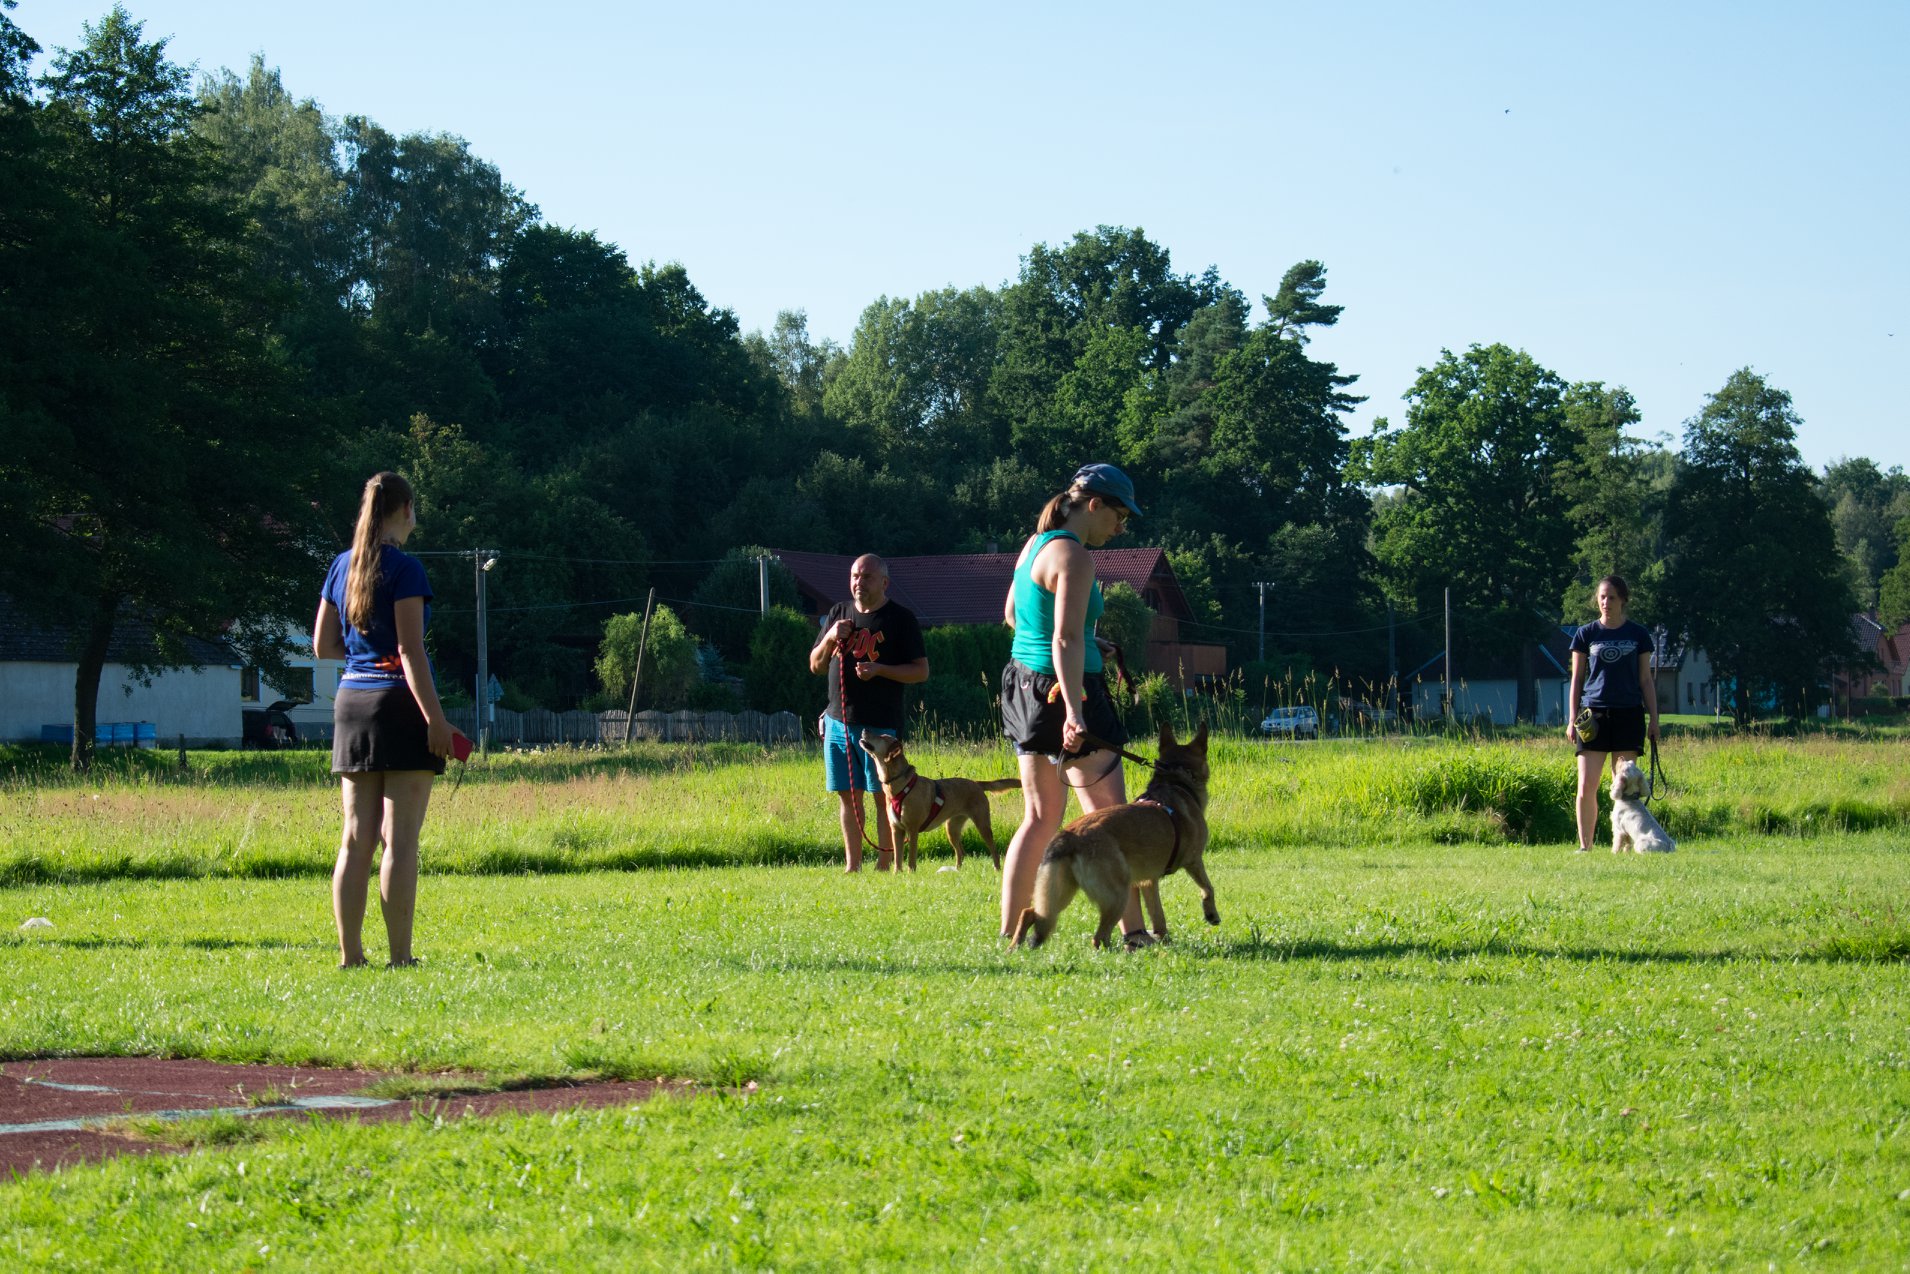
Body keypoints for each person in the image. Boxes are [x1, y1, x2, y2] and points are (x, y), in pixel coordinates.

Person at [999, 463, 1158, 947]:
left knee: (1040, 816)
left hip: (1023, 685)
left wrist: (1093, 641)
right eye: (1119, 515)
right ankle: (1134, 934)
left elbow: (1013, 616)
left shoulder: (1035, 545)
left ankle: (1009, 932)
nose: (1121, 526)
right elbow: (1065, 640)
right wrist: (1074, 710)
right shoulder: (1076, 557)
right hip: (1068, 690)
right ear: (1094, 505)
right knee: (1112, 816)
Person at [314, 472, 453, 967]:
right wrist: (436, 721)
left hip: (351, 703)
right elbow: (409, 650)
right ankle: (400, 958)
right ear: (407, 510)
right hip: (398, 706)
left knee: (356, 838)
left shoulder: (340, 566)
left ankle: (351, 957)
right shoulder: (407, 569)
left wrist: (361, 657)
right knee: (400, 839)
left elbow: (322, 646)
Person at [809, 554, 929, 872]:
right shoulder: (839, 613)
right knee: (848, 797)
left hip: (881, 726)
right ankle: (853, 866)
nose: (859, 582)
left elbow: (920, 671)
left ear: (884, 583)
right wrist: (831, 637)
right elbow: (815, 665)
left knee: (882, 796)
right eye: (855, 576)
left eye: (867, 577)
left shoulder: (900, 619)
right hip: (838, 721)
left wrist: (879, 670)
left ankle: (884, 863)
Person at [1566, 574, 1661, 852]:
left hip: (1629, 714)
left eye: (1612, 597)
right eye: (1602, 597)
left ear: (1623, 601)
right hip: (1592, 716)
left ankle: (1625, 846)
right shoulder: (1586, 634)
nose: (1606, 602)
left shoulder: (1638, 634)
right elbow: (1577, 679)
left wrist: (1654, 719)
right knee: (1586, 785)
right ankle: (1586, 846)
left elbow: (1645, 680)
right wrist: (1572, 718)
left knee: (1626, 788)